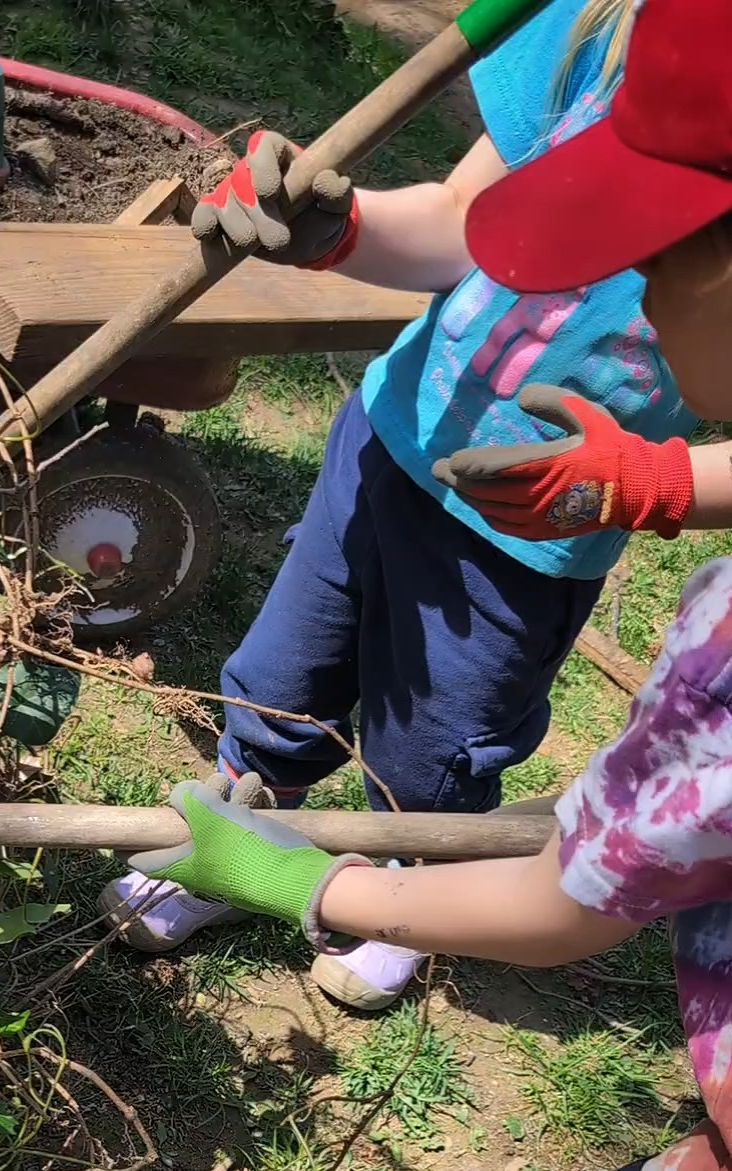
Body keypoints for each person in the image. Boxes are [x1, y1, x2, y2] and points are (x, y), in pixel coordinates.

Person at [129, 0, 732, 1171]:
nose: (629, 287)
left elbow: (577, 892)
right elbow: (481, 218)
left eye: (660, 254)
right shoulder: (604, 43)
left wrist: (315, 894)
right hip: (414, 438)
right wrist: (672, 486)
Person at [101, 0, 718, 1016]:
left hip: (532, 529)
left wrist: (654, 481)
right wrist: (340, 231)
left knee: (437, 742)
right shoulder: (606, 27)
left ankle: (404, 896)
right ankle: (237, 818)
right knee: (287, 667)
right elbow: (460, 228)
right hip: (391, 431)